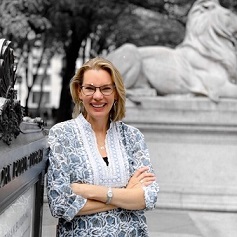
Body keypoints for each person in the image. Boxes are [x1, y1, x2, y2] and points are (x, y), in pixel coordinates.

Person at [47, 57, 159, 236]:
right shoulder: (61, 135)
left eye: (106, 88)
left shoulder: (133, 137)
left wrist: (88, 190)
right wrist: (126, 194)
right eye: (90, 88)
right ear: (79, 91)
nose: (98, 96)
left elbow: (149, 196)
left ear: (115, 93)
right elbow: (60, 204)